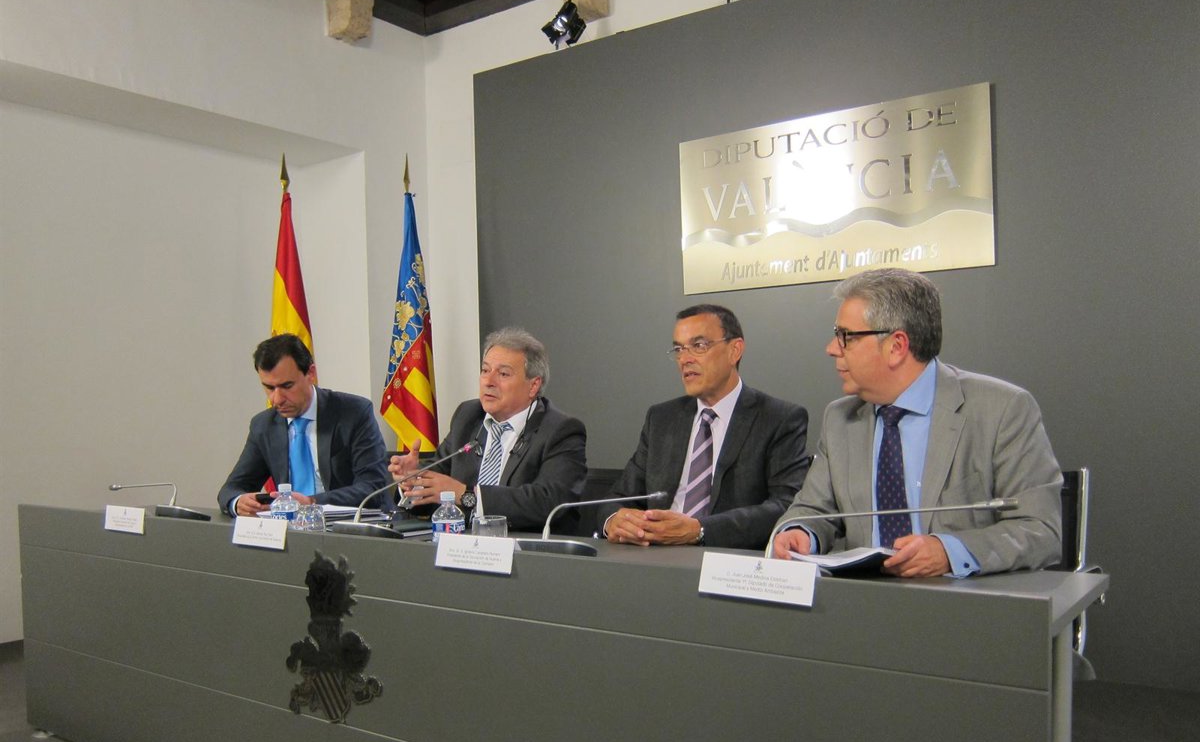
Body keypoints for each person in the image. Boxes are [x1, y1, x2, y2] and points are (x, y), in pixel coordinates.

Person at [771, 267, 1062, 576]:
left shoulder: (1002, 410)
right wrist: (801, 532)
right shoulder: (839, 419)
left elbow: (1040, 530)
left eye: (846, 337)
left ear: (897, 346)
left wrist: (950, 552)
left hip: (963, 597)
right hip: (862, 598)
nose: (832, 349)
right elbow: (813, 509)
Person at [599, 304, 810, 550]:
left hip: (727, 559)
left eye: (698, 346)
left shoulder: (779, 419)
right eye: (679, 349)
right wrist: (614, 520)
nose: (685, 359)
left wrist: (699, 530)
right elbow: (618, 498)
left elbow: (786, 506)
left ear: (734, 350)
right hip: (655, 556)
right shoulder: (662, 419)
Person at [388, 327, 587, 532]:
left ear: (533, 386)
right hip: (462, 544)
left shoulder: (560, 430)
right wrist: (413, 481)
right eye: (485, 370)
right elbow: (438, 483)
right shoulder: (468, 416)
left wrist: (466, 495)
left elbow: (548, 501)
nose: (488, 382)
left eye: (503, 374)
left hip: (525, 547)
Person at [218, 334, 389, 517]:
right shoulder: (264, 425)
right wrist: (238, 502)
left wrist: (311, 503)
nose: (277, 399)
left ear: (311, 374)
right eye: (269, 388)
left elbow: (372, 488)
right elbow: (231, 488)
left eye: (287, 386)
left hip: (350, 526)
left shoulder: (354, 413)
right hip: (291, 529)